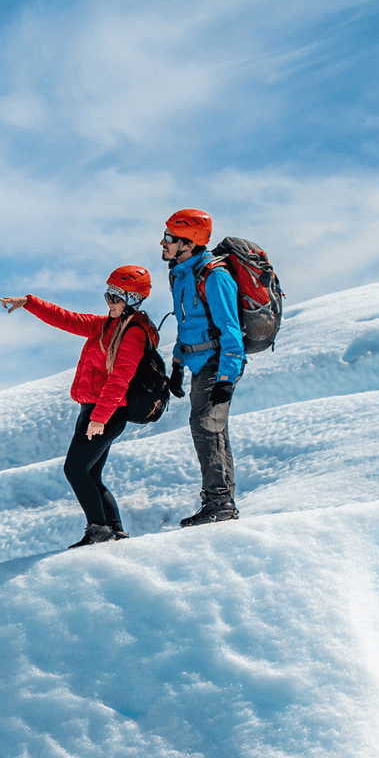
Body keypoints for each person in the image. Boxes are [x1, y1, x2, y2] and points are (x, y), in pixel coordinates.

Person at [0, 266, 158, 548]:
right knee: (90, 473)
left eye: (116, 296)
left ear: (133, 299)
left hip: (107, 411)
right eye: (108, 294)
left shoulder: (133, 333)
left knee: (74, 470)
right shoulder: (105, 325)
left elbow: (120, 378)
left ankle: (99, 530)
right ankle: (115, 531)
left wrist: (98, 418)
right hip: (94, 409)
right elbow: (69, 319)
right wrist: (30, 302)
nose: (109, 301)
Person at [162, 208, 244, 527]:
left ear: (189, 242)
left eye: (170, 238)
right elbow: (187, 325)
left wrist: (226, 377)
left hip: (218, 362)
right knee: (214, 428)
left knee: (204, 424)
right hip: (198, 363)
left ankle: (220, 503)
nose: (163, 243)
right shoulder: (181, 274)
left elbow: (231, 330)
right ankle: (223, 503)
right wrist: (178, 365)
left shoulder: (215, 276)